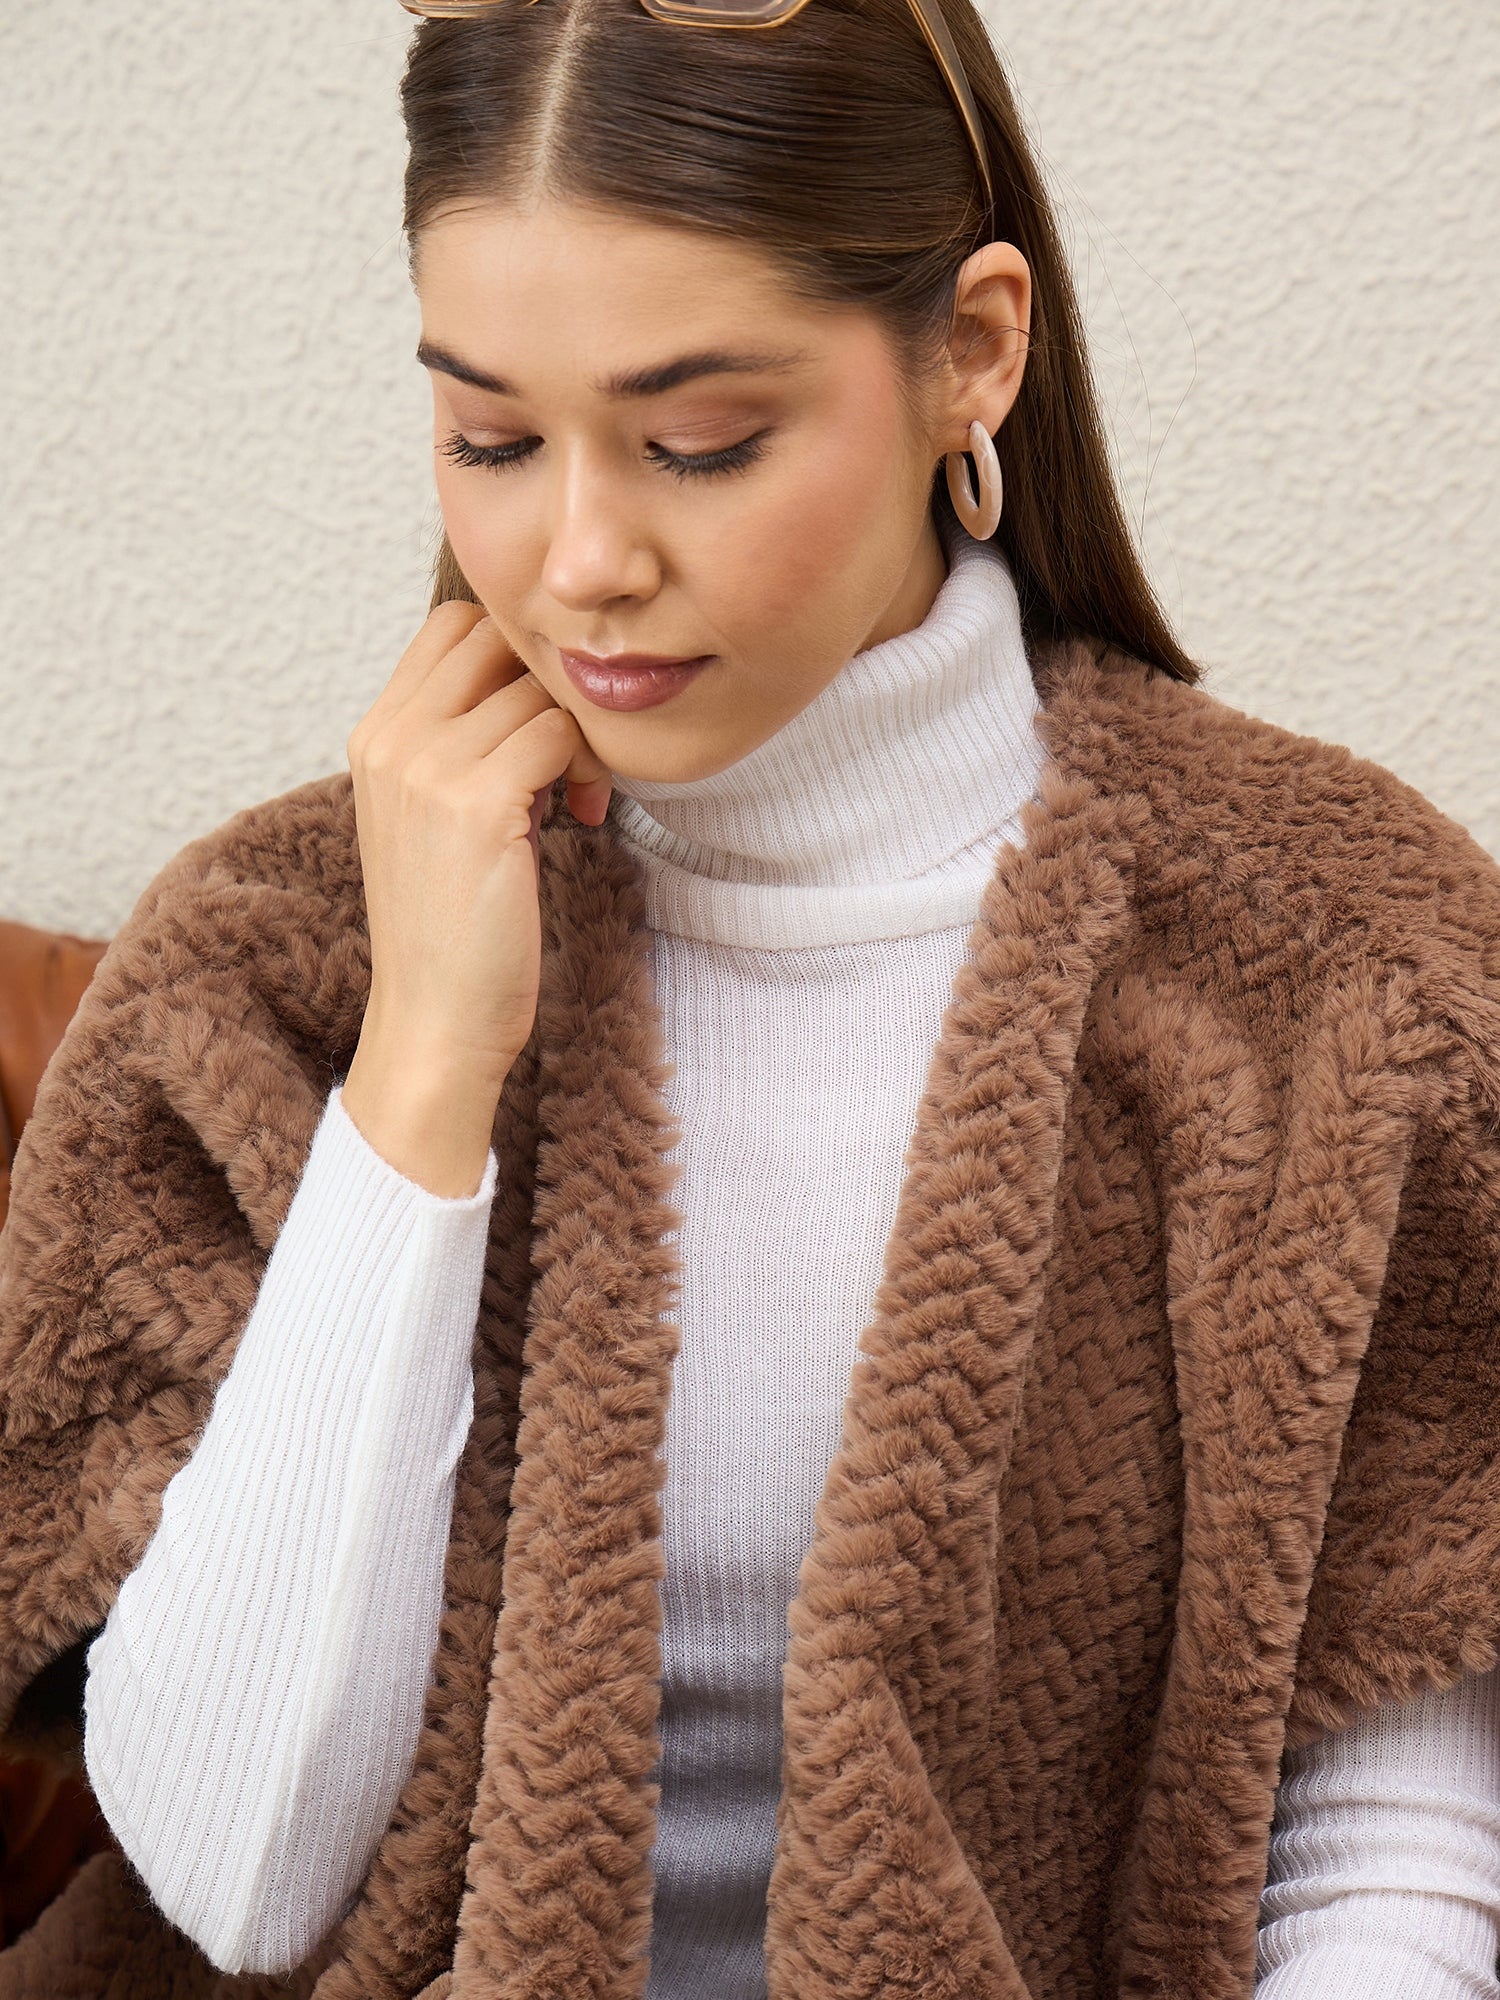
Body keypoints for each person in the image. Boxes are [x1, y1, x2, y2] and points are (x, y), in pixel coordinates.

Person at [3, 0, 1500, 1995]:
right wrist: (424, 1071)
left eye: (700, 441)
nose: (584, 557)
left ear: (973, 351)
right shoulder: (278, 965)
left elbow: (1392, 1857)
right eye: (491, 438)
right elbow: (235, 1876)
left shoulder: (1337, 968)